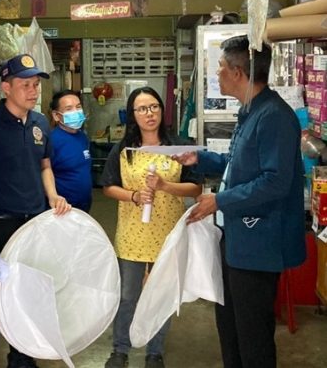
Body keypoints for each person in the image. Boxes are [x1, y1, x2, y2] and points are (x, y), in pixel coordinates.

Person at [174, 35, 306, 368]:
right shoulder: (250, 110)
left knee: (252, 336)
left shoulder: (274, 116)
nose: (216, 73)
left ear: (237, 72)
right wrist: (200, 159)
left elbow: (275, 182)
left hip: (258, 243)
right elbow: (238, 166)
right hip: (235, 238)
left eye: (220, 67)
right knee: (230, 326)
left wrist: (219, 201)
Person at [0, 53, 71, 368]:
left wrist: (53, 196)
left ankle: (22, 361)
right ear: (6, 87)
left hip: (33, 228)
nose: (33, 91)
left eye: (36, 85)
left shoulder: (40, 124)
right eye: (25, 85)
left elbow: (45, 166)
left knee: (28, 301)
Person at [101, 87, 202, 368]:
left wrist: (165, 186)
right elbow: (108, 186)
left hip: (168, 234)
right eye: (142, 109)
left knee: (162, 294)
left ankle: (155, 352)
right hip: (132, 235)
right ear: (132, 114)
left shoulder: (179, 147)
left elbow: (196, 187)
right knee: (128, 295)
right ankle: (120, 349)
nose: (150, 114)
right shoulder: (124, 150)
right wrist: (134, 196)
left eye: (154, 106)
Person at [49, 89, 92, 212]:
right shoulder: (52, 141)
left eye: (78, 107)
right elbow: (44, 172)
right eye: (69, 109)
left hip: (83, 206)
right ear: (56, 115)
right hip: (62, 209)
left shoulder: (82, 137)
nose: (76, 112)